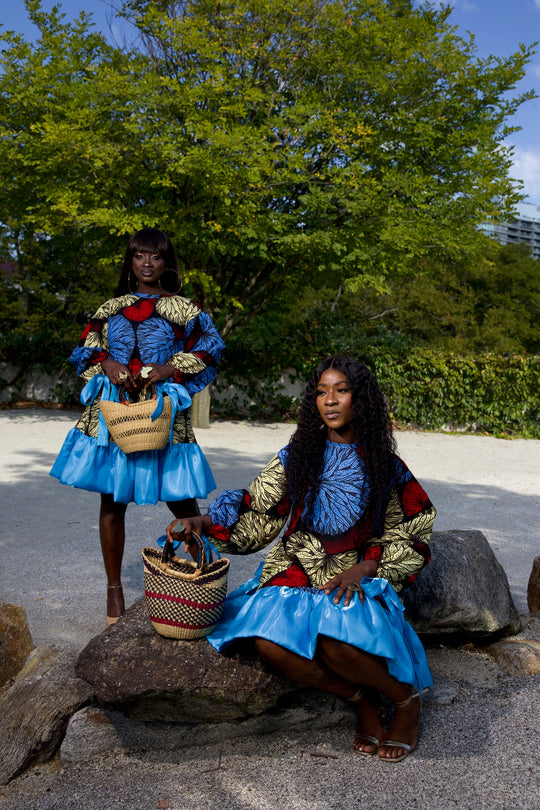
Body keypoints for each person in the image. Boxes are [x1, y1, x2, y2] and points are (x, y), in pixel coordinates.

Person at [167, 355, 436, 762]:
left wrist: (366, 568)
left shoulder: (386, 465)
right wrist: (204, 521)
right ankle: (361, 699)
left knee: (335, 643)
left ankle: (405, 699)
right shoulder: (297, 455)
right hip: (297, 565)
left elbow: (415, 528)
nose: (330, 400)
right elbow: (259, 511)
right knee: (269, 645)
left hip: (355, 569)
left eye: (341, 390)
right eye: (321, 391)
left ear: (358, 399)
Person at [50, 227, 225, 625]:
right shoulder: (110, 308)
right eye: (139, 255)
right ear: (130, 261)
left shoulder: (184, 309)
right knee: (112, 501)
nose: (147, 263)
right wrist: (106, 363)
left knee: (182, 501)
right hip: (115, 414)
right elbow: (86, 350)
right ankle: (114, 593)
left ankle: (209, 581)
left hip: (162, 413)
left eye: (156, 256)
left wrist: (168, 367)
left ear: (167, 262)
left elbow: (209, 348)